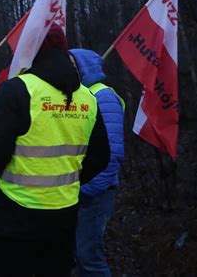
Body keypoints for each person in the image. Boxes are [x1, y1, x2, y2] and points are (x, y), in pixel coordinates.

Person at [0, 24, 110, 276]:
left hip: (16, 211)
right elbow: (101, 157)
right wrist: (68, 178)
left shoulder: (17, 88)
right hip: (64, 211)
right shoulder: (87, 97)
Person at [69, 49, 125, 277]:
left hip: (95, 192)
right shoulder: (80, 94)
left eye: (72, 64)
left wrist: (88, 189)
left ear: (83, 67)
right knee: (78, 253)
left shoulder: (103, 96)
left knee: (89, 256)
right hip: (79, 189)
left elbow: (111, 152)